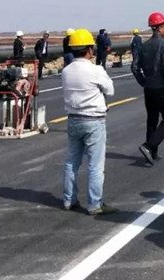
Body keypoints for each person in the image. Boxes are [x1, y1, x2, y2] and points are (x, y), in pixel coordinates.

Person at [61, 28, 117, 215]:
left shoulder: (66, 71)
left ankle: (69, 200)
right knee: (95, 165)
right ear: (89, 49)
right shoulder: (95, 70)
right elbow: (110, 91)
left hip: (73, 119)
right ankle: (95, 204)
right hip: (93, 120)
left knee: (71, 162)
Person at [135, 12, 164, 164]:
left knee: (152, 120)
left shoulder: (144, 46)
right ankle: (148, 146)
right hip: (162, 88)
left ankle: (152, 153)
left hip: (149, 88)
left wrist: (143, 82)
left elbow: (135, 67)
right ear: (158, 28)